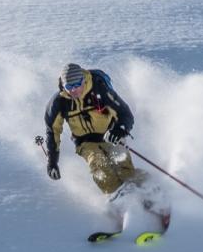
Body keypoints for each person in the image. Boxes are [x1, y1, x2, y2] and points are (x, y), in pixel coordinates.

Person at [44, 63, 168, 230]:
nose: (74, 90)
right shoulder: (58, 103)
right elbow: (53, 132)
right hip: (84, 141)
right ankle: (119, 200)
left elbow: (125, 114)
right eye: (69, 86)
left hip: (110, 135)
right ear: (63, 85)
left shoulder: (99, 89)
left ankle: (152, 194)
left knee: (123, 165)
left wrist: (119, 129)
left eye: (77, 84)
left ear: (83, 80)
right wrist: (52, 161)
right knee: (98, 163)